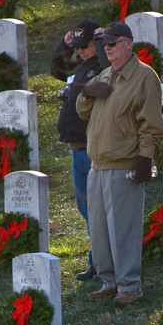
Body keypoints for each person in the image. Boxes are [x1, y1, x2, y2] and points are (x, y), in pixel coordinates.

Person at [76, 21, 163, 306]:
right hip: (98, 163)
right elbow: (81, 108)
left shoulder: (144, 77)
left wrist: (145, 159)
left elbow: (152, 125)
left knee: (123, 229)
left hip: (125, 163)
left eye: (112, 43)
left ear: (128, 43)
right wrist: (88, 92)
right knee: (100, 231)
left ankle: (130, 285)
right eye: (104, 44)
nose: (107, 49)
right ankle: (109, 281)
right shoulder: (104, 74)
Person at [49, 19, 109, 282]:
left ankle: (102, 263)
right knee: (87, 210)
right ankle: (97, 261)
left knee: (97, 210)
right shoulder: (82, 67)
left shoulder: (104, 67)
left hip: (93, 148)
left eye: (85, 46)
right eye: (77, 47)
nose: (81, 51)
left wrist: (99, 41)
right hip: (77, 149)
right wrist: (64, 45)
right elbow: (57, 69)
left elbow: (109, 67)